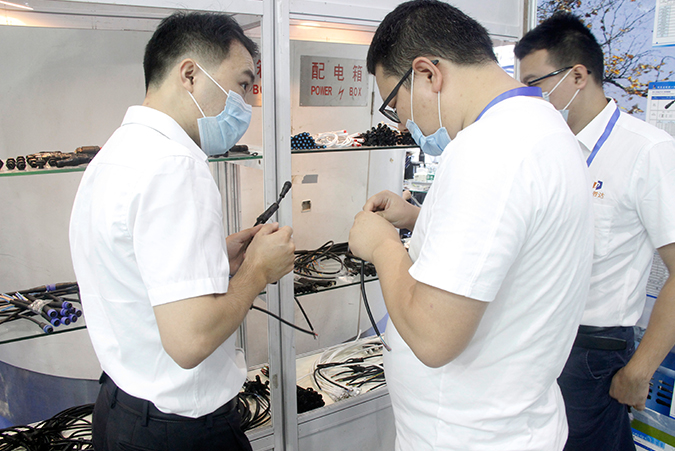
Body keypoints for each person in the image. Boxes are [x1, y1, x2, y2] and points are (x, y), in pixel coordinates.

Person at [348, 1, 594, 449]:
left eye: (394, 104)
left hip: (468, 434)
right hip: (512, 422)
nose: (401, 123)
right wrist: (419, 218)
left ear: (427, 74)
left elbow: (433, 336)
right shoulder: (542, 127)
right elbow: (508, 244)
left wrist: (383, 245)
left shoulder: (489, 150)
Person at [69, 11, 295, 451]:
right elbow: (190, 341)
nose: (245, 103)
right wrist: (257, 272)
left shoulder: (117, 152)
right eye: (242, 84)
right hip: (179, 431)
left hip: (119, 409)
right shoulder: (175, 164)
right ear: (190, 74)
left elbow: (134, 267)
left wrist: (216, 255)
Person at [515, 13, 675, 451]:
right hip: (535, 339)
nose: (527, 98)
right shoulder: (547, 147)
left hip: (591, 352)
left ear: (578, 76)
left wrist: (640, 370)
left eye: (534, 84)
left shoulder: (647, 151)